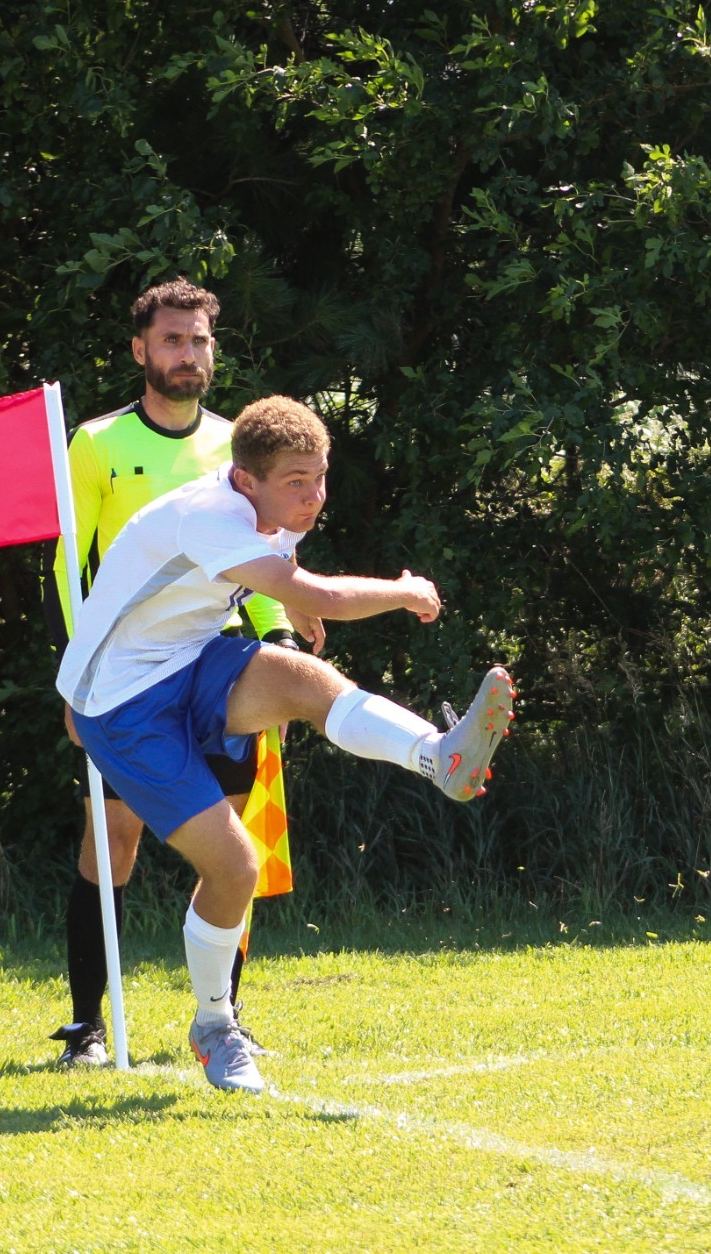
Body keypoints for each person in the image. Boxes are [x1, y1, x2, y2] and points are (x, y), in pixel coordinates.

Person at [58, 395, 516, 1093]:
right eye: (296, 482)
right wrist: (403, 590)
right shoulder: (210, 516)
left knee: (304, 677)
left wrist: (292, 593)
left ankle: (441, 755)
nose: (314, 496)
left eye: (321, 476)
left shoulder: (265, 511)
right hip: (117, 706)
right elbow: (321, 593)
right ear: (247, 480)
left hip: (185, 660)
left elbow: (285, 558)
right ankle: (214, 1025)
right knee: (238, 868)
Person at [47, 278, 297, 1068]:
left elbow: (265, 561)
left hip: (217, 666)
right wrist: (79, 673)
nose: (186, 354)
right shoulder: (95, 444)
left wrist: (280, 642)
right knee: (111, 835)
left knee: (232, 842)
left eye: (199, 341)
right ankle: (88, 1027)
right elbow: (68, 565)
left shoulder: (238, 446)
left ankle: (223, 1018)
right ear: (139, 351)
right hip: (125, 677)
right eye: (171, 340)